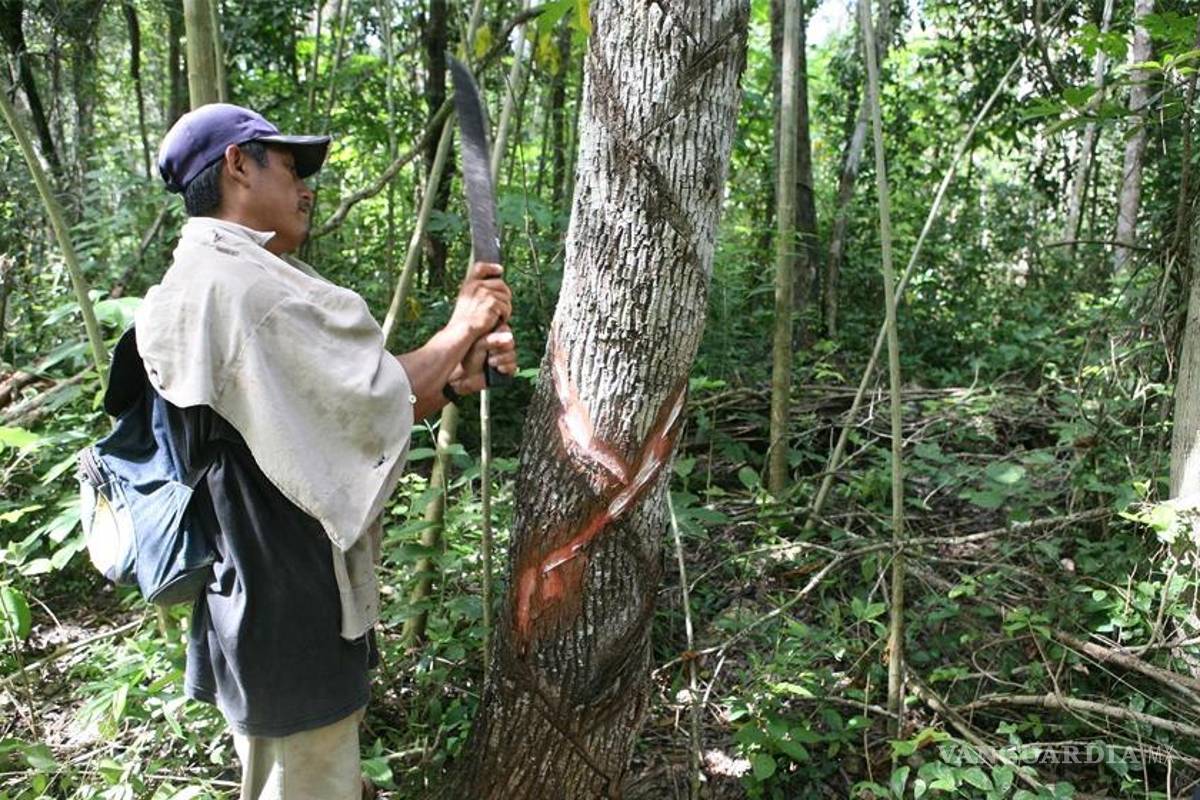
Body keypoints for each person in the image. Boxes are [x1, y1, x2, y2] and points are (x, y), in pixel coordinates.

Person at [133, 103, 516, 799]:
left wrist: (454, 378)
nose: (307, 185)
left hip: (249, 601)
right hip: (286, 604)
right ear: (236, 165)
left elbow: (325, 423)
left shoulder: (199, 281)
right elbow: (371, 400)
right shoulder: (241, 288)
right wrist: (461, 327)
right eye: (290, 164)